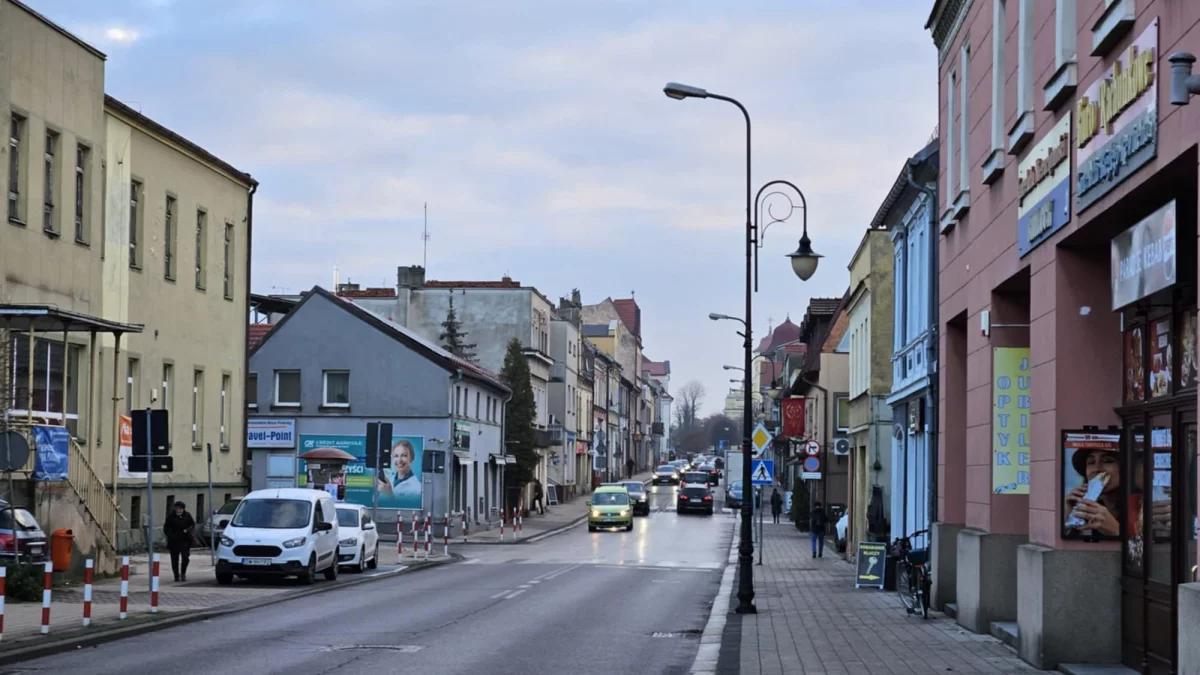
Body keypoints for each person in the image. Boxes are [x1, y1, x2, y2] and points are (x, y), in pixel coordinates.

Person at [163, 501, 196, 582]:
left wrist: (188, 530)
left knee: (185, 558)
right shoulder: (171, 517)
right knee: (174, 559)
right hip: (174, 541)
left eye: (181, 509)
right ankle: (176, 575)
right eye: (177, 509)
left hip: (185, 540)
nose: (179, 511)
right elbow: (166, 528)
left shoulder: (187, 515)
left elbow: (192, 524)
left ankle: (183, 573)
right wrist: (171, 535)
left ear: (183, 509)